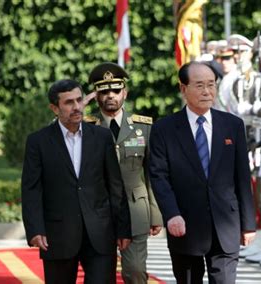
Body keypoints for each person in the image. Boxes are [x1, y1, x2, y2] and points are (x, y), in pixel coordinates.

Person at [148, 61, 256, 284]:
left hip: (225, 225)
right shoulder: (164, 129)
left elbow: (242, 177)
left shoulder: (232, 125)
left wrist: (248, 224)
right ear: (183, 88)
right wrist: (171, 214)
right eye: (199, 85)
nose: (207, 91)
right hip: (185, 227)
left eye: (211, 85)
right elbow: (159, 176)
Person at [21, 79, 131, 283]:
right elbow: (31, 189)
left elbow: (115, 185)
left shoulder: (102, 136)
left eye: (79, 100)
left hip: (100, 233)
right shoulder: (38, 141)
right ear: (55, 108)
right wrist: (35, 229)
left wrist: (123, 228)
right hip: (58, 235)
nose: (77, 107)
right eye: (69, 102)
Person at [85, 62, 163, 284]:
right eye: (104, 91)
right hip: (98, 210)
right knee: (100, 274)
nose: (111, 96)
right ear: (96, 95)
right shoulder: (86, 127)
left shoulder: (144, 127)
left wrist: (155, 214)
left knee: (136, 271)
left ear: (125, 93)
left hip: (135, 208)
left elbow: (152, 173)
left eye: (116, 90)